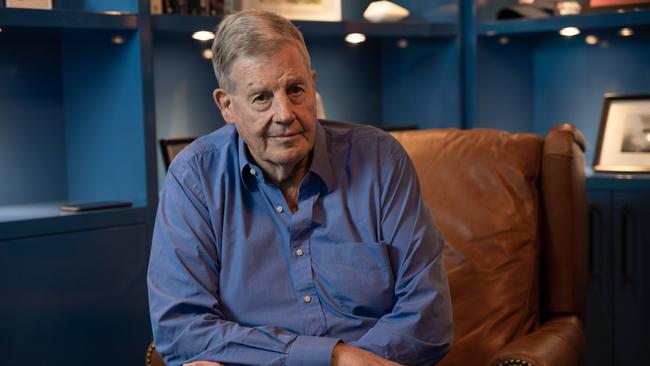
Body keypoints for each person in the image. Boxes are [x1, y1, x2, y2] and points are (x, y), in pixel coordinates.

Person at [148, 9, 452, 366]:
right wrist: (333, 358)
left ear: (313, 84)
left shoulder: (381, 160)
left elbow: (429, 317)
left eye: (295, 90)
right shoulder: (194, 178)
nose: (285, 113)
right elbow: (180, 328)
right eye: (262, 97)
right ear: (227, 106)